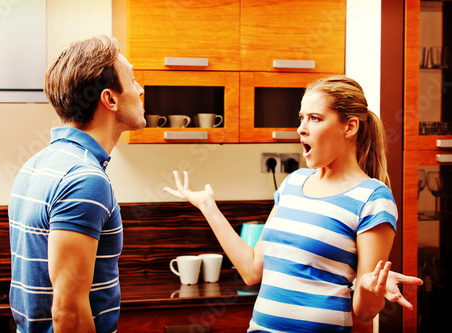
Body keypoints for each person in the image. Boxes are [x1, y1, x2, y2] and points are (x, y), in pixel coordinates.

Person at [163, 76, 423, 332]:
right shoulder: (293, 183)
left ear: (350, 127)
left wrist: (368, 287)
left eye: (315, 118)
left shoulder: (373, 198)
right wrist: (209, 207)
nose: (301, 128)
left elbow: (365, 313)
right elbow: (252, 270)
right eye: (302, 118)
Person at [8, 35, 145, 332]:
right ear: (110, 98)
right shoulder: (85, 179)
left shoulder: (37, 164)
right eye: (133, 80)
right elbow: (67, 311)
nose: (141, 90)